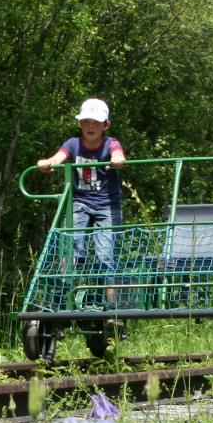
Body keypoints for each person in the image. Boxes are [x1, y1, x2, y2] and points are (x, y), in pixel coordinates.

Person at [37, 98, 125, 306]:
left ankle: (111, 307)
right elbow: (59, 157)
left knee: (105, 255)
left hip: (107, 205)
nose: (91, 126)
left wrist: (118, 159)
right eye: (86, 121)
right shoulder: (73, 144)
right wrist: (48, 162)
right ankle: (62, 298)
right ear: (79, 124)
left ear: (106, 125)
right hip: (80, 203)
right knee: (72, 248)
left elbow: (118, 154)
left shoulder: (110, 143)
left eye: (96, 122)